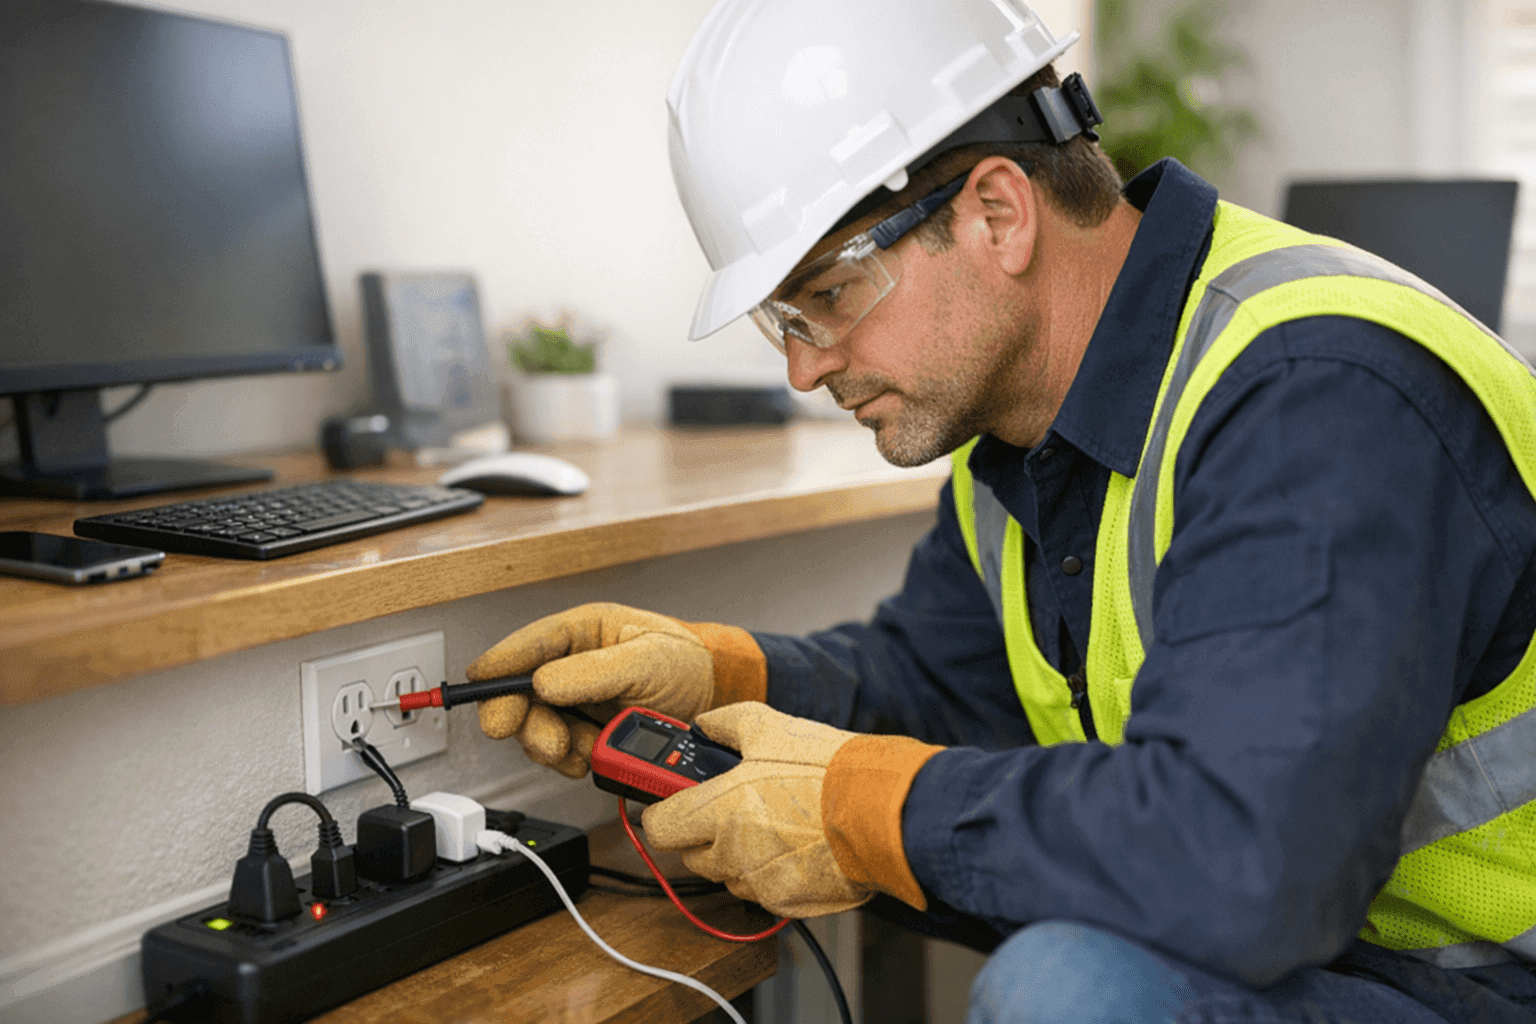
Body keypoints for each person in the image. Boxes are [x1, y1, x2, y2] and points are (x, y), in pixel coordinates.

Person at [471, 2, 1536, 1021]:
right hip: (1351, 970)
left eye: (828, 298)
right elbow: (942, 688)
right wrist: (722, 674)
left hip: (1490, 988)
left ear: (997, 212)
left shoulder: (1315, 396)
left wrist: (859, 808)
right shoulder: (1023, 437)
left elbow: (1247, 867)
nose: (803, 366)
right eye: (779, 319)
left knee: (1068, 992)